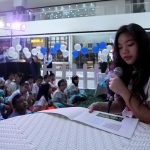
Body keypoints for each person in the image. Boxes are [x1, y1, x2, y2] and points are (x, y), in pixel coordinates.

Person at [88, 23, 150, 123]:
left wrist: (123, 90)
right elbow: (122, 106)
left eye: (130, 44)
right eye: (120, 47)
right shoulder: (128, 71)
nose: (124, 51)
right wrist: (99, 106)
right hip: (129, 129)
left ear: (142, 44)